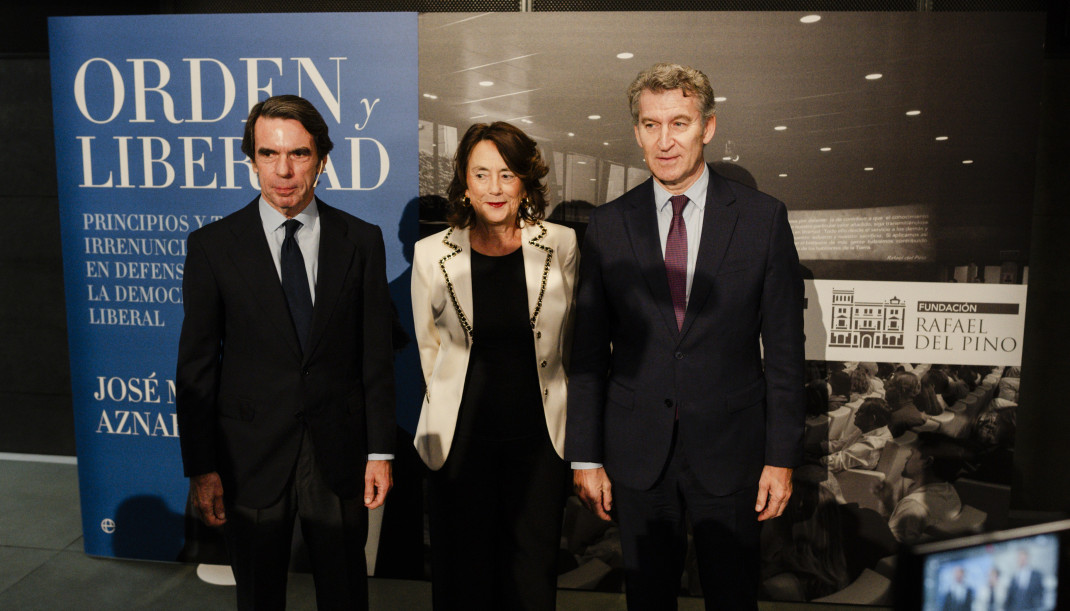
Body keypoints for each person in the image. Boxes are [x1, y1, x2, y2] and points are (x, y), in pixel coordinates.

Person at [566, 62, 806, 610]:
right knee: (647, 600)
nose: (665, 140)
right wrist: (586, 457)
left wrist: (781, 457)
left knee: (732, 597)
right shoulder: (608, 224)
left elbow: (787, 353)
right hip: (636, 452)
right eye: (651, 125)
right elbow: (586, 354)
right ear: (636, 133)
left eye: (679, 122)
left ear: (709, 127)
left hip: (733, 451)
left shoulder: (762, 219)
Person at [176, 95, 395, 610]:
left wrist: (380, 451)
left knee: (345, 594)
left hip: (338, 454)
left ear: (321, 159)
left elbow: (376, 357)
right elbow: (196, 368)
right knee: (258, 597)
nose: (283, 171)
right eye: (268, 154)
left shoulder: (362, 240)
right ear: (251, 160)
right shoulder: (212, 246)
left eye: (298, 154)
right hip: (249, 457)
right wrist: (202, 467)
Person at [411, 121, 578, 610]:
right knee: (462, 578)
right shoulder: (430, 254)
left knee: (531, 578)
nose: (494, 188)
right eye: (481, 174)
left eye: (506, 174)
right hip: (459, 444)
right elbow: (428, 349)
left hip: (540, 442)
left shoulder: (561, 244)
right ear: (464, 181)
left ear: (525, 178)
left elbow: (568, 345)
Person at [873, 445, 962, 543]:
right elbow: (912, 525)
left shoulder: (914, 504)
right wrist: (888, 502)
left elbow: (887, 546)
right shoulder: (949, 491)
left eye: (912, 454)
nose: (907, 457)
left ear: (927, 462)